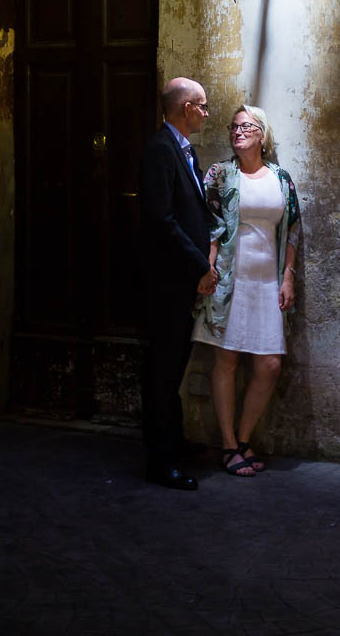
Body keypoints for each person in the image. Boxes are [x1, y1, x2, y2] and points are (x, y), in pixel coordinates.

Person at [192, 104, 301, 477]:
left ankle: (242, 438)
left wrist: (288, 275)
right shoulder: (219, 175)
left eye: (246, 126)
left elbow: (294, 229)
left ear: (262, 134)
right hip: (228, 282)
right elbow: (207, 224)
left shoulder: (281, 179)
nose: (237, 132)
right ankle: (228, 445)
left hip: (266, 282)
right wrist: (207, 267)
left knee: (269, 364)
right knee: (226, 361)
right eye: (233, 127)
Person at [138, 77, 218, 490]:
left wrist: (208, 256)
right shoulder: (160, 151)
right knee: (162, 372)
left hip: (182, 280)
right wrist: (197, 266)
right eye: (202, 106)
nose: (206, 113)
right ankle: (160, 460)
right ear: (185, 108)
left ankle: (173, 441)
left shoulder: (185, 151)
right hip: (166, 283)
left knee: (173, 369)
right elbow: (161, 220)